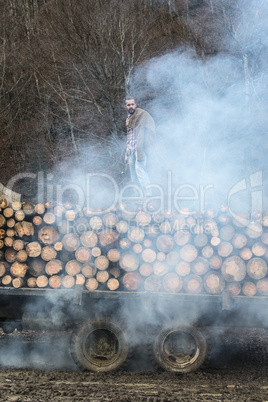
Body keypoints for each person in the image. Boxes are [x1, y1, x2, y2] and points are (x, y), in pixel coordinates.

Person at [124, 97, 155, 199]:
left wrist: (147, 145)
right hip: (131, 150)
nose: (131, 106)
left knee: (140, 170)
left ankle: (148, 193)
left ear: (135, 105)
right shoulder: (128, 119)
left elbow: (150, 127)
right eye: (128, 105)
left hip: (140, 148)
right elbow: (129, 137)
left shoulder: (142, 115)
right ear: (126, 107)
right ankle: (136, 195)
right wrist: (126, 154)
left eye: (132, 104)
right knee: (133, 174)